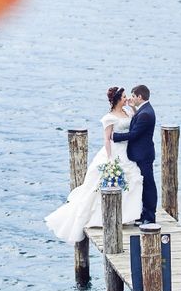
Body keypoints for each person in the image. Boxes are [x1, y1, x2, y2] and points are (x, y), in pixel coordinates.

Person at [45, 87, 143, 243]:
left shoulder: (129, 112)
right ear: (117, 99)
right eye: (124, 97)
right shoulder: (109, 118)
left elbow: (137, 121)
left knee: (133, 179)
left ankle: (127, 216)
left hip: (128, 151)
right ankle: (102, 217)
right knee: (105, 183)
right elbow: (107, 139)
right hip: (115, 151)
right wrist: (110, 159)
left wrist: (132, 106)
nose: (126, 99)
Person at [113, 84, 157, 225]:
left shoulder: (145, 114)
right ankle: (144, 214)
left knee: (148, 184)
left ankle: (150, 216)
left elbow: (134, 134)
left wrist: (115, 137)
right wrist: (132, 107)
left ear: (140, 97)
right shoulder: (143, 110)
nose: (131, 98)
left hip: (143, 155)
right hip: (141, 153)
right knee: (143, 184)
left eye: (133, 96)